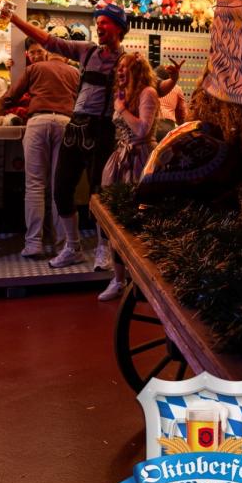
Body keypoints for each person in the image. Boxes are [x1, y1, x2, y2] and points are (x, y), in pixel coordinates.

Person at [0, 2, 181, 270]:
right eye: (98, 22)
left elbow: (152, 88)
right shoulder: (87, 51)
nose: (99, 26)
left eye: (104, 22)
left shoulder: (127, 61)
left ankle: (103, 249)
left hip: (102, 132)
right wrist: (14, 19)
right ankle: (72, 247)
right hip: (75, 127)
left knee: (100, 195)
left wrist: (173, 80)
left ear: (119, 28)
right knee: (61, 189)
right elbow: (49, 41)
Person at [0, 38, 78, 258]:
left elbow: (9, 98)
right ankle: (64, 245)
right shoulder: (75, 73)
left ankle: (34, 244)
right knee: (60, 188)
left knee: (34, 186)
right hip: (66, 124)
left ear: (48, 52)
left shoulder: (34, 69)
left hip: (38, 122)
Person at [96, 52, 159, 300]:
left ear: (137, 71)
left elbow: (142, 130)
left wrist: (122, 110)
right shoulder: (122, 94)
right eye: (119, 67)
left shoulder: (148, 93)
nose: (120, 71)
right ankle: (119, 279)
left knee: (138, 220)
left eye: (125, 67)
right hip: (121, 158)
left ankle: (142, 279)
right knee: (115, 220)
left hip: (140, 159)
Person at [154, 64, 188, 141]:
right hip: (168, 127)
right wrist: (181, 126)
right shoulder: (177, 89)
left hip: (150, 125)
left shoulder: (151, 86)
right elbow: (181, 113)